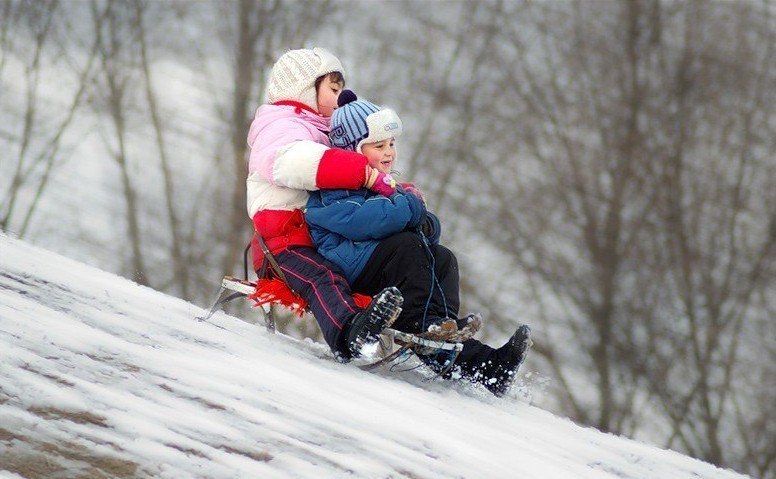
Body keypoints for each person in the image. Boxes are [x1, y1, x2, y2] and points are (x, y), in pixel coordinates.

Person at [304, 91, 532, 396]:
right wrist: (411, 207)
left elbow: (419, 222)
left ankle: (478, 356)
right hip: (351, 264)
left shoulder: (384, 183)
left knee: (443, 257)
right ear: (352, 150)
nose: (389, 153)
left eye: (392, 144)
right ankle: (425, 324)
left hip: (379, 261)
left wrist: (421, 220)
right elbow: (369, 221)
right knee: (408, 248)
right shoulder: (335, 187)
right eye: (378, 145)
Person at [245, 48, 403, 362]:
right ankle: (348, 334)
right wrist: (363, 173)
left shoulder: (323, 131)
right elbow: (296, 162)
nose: (340, 96)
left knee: (390, 262)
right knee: (324, 277)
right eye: (333, 88)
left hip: (320, 239)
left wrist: (399, 192)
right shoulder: (281, 128)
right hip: (283, 246)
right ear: (305, 88)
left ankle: (448, 340)